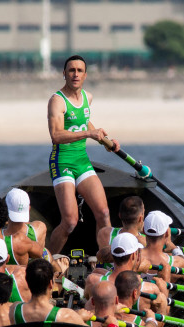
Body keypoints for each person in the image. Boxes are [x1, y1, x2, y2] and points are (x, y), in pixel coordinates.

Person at [47, 54, 120, 255]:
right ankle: (45, 263)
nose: (75, 74)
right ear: (64, 73)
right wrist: (89, 134)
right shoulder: (57, 101)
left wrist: (105, 140)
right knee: (70, 222)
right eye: (71, 70)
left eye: (79, 71)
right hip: (62, 161)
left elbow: (83, 120)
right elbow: (56, 135)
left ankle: (105, 263)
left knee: (104, 214)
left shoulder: (88, 97)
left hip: (82, 160)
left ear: (85, 75)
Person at [84, 232, 168, 316]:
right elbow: (159, 325)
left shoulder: (93, 281)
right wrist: (165, 290)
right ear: (134, 256)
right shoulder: (150, 289)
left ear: (112, 255)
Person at [10, 259, 85, 325]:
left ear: (27, 283)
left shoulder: (14, 310)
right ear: (51, 284)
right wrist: (81, 317)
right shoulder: (65, 315)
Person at [142, 210, 184, 283]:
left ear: (144, 231)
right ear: (167, 233)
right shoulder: (178, 263)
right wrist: (174, 248)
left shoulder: (133, 256)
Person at [95, 195, 146, 264]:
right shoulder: (146, 242)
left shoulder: (105, 233)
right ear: (140, 218)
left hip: (110, 273)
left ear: (120, 215)